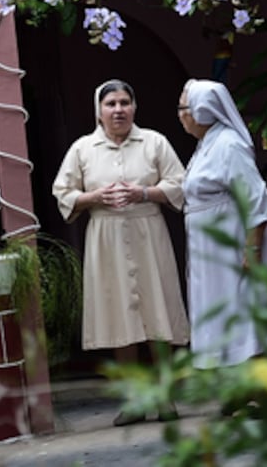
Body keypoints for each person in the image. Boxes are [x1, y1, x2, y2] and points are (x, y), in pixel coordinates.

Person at [52, 79, 189, 426]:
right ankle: (134, 401)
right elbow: (63, 192)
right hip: (106, 236)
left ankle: (165, 398)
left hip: (148, 232)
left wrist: (144, 193)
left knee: (159, 317)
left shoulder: (154, 142)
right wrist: (94, 198)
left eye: (124, 102)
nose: (118, 110)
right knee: (120, 321)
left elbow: (180, 184)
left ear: (134, 107)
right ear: (98, 111)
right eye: (110, 103)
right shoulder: (83, 149)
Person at [177, 79, 267, 370]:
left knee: (241, 308)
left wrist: (252, 248)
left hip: (234, 241)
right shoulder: (206, 145)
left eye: (184, 107)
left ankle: (259, 388)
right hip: (212, 248)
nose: (180, 114)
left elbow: (256, 197)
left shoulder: (228, 145)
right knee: (221, 309)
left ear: (202, 110)